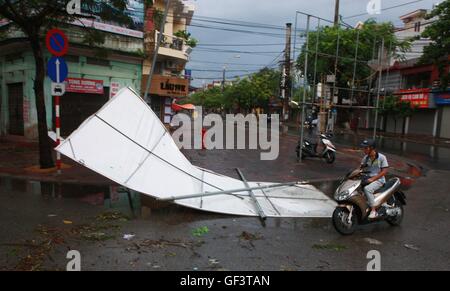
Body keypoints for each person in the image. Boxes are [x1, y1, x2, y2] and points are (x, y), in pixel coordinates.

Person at [360, 139, 389, 219]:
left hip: (379, 180)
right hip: (368, 178)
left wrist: (373, 179)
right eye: (363, 148)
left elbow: (384, 171)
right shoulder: (365, 158)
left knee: (367, 189)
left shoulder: (382, 157)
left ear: (372, 148)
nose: (364, 150)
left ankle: (373, 211)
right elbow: (360, 169)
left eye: (366, 148)